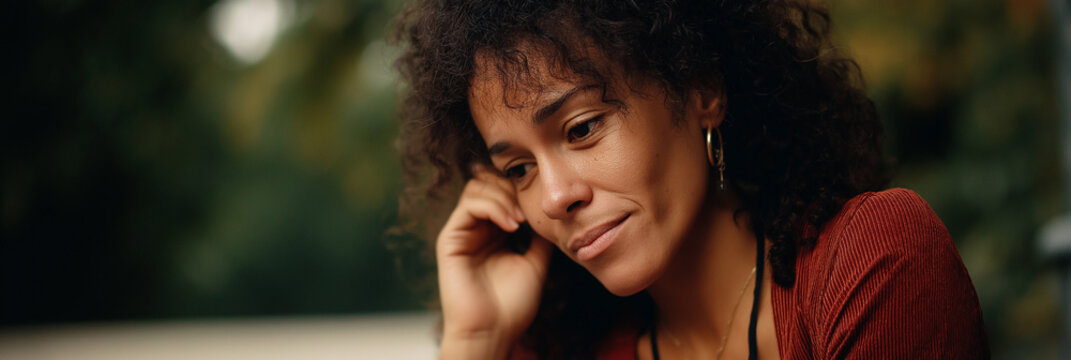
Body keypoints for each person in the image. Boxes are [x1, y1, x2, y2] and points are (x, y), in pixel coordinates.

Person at [392, 0, 990, 359]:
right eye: (518, 169)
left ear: (702, 89)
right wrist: (475, 342)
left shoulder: (871, 261)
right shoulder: (548, 350)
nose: (554, 197)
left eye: (581, 130)